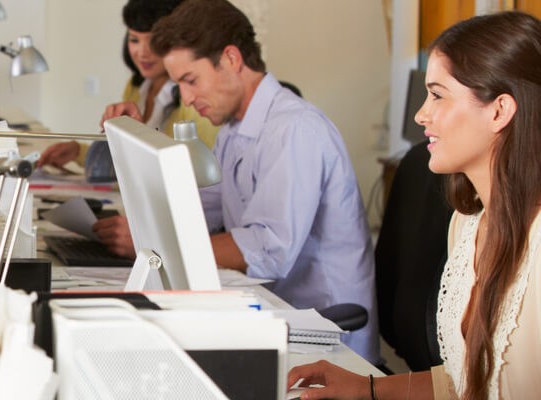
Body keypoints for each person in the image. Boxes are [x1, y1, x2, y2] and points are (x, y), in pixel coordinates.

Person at [94, 0, 379, 361]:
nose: (187, 98)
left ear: (231, 59)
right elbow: (200, 207)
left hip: (320, 336)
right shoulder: (235, 127)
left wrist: (156, 245)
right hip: (271, 312)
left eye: (190, 80)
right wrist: (133, 137)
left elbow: (268, 248)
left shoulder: (294, 129)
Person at [288, 11, 541, 399]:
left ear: (500, 111)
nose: (422, 114)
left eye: (437, 95)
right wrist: (366, 388)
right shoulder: (467, 223)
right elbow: (467, 383)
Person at [35, 0, 217, 172]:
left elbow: (194, 172)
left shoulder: (193, 99)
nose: (142, 53)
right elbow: (127, 160)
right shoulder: (136, 86)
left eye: (153, 41)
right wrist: (79, 152)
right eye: (134, 40)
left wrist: (139, 134)